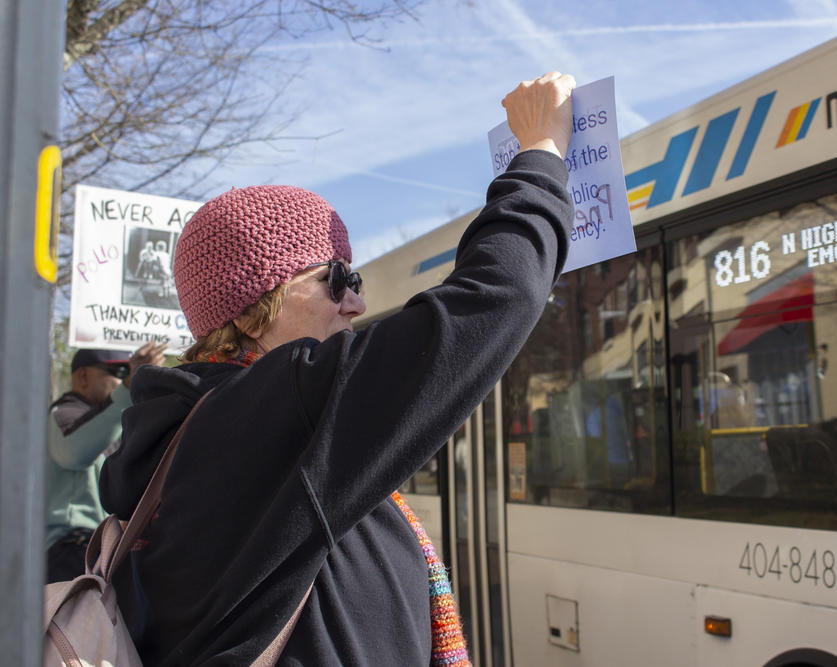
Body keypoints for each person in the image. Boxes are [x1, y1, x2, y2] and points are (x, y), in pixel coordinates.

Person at [99, 71, 576, 665]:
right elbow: (492, 301)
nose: (357, 301)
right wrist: (541, 153)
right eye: (335, 279)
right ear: (251, 314)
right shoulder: (267, 416)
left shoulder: (192, 427)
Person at [45, 343, 168, 583]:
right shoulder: (65, 412)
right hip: (70, 549)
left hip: (101, 547)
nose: (126, 379)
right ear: (83, 377)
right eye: (120, 372)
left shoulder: (110, 420)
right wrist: (127, 389)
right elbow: (74, 453)